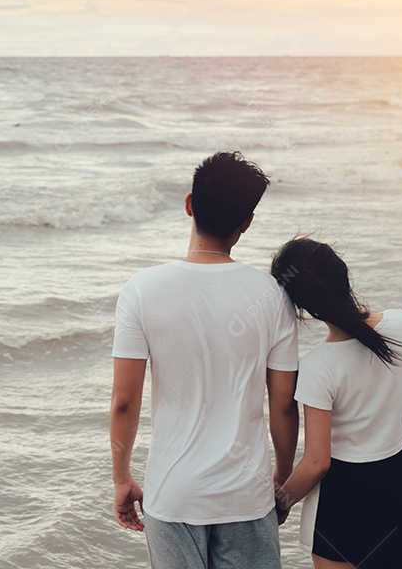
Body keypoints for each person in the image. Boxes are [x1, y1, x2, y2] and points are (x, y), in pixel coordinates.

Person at [109, 151, 300, 569]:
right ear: (246, 223)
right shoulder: (271, 295)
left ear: (189, 204)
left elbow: (125, 401)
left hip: (174, 494)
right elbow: (284, 404)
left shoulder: (142, 290)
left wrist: (122, 478)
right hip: (246, 495)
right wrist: (282, 479)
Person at [271, 238, 402, 569]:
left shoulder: (319, 366)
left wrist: (280, 503)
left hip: (344, 497)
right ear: (343, 275)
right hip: (401, 480)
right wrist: (397, 468)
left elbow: (317, 463)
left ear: (304, 308)